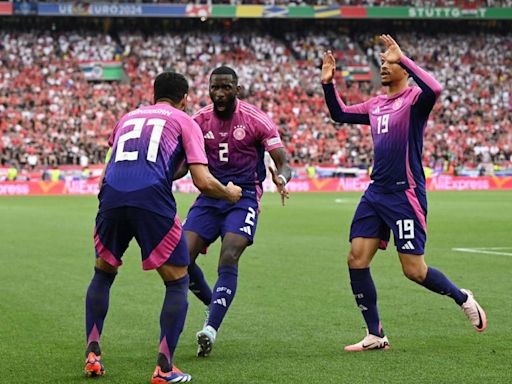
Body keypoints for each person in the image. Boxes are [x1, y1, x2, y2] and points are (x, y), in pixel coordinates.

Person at [321, 35, 487, 351]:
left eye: (390, 63)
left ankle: (462, 297)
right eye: (382, 63)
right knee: (356, 259)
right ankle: (375, 334)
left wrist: (405, 57)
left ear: (404, 69)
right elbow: (340, 114)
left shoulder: (414, 99)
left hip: (404, 194)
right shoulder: (375, 104)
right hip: (376, 193)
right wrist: (328, 84)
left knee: (414, 270)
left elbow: (435, 89)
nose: (384, 67)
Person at [83, 71, 242, 382]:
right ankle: (165, 368)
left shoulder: (128, 118)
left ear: (153, 94)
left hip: (112, 197)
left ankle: (92, 354)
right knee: (177, 281)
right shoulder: (185, 121)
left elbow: (106, 173)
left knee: (103, 272)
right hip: (152, 200)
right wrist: (229, 192)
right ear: (184, 99)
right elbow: (202, 180)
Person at [182, 66, 292, 357]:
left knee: (229, 255)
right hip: (208, 197)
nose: (220, 93)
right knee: (180, 258)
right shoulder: (197, 121)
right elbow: (181, 162)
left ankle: (211, 329)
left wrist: (281, 178)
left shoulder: (255, 119)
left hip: (243, 198)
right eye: (215, 87)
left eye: (226, 87)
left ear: (237, 89)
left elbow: (282, 161)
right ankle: (213, 301)